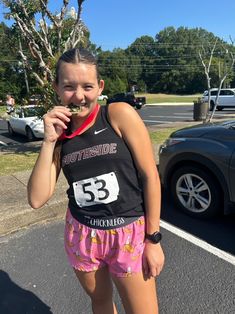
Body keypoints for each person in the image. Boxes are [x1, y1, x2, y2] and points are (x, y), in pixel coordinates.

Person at [27, 48, 165, 314]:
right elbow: (36, 199)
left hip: (128, 233)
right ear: (56, 87)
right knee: (100, 302)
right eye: (68, 86)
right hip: (83, 234)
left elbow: (150, 176)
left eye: (87, 86)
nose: (79, 95)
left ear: (99, 86)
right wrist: (48, 141)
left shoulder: (117, 114)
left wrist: (153, 239)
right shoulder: (59, 132)